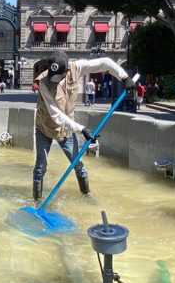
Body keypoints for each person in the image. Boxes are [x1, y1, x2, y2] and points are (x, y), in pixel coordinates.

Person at [33, 49, 130, 199]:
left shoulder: (77, 68)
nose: (56, 80)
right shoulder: (44, 83)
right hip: (44, 127)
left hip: (65, 131)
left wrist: (124, 77)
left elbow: (105, 63)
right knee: (40, 167)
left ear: (66, 70)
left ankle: (87, 196)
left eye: (59, 76)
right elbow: (56, 115)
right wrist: (81, 129)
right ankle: (37, 200)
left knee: (78, 165)